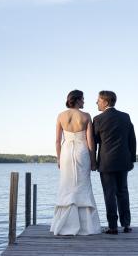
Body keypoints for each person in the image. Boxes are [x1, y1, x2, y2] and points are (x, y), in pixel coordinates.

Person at [50, 90, 101, 236]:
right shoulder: (86, 116)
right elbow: (90, 141)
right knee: (82, 185)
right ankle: (86, 226)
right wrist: (93, 161)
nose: (84, 102)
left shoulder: (61, 116)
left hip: (66, 152)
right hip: (82, 151)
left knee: (66, 185)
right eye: (83, 99)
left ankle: (63, 224)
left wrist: (59, 158)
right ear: (77, 100)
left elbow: (57, 141)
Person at [93, 90, 136, 234]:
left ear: (105, 101)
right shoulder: (125, 117)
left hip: (106, 162)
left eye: (98, 100)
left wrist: (93, 161)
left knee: (109, 193)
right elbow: (132, 139)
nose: (96, 102)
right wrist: (132, 159)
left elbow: (95, 142)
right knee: (123, 192)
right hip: (124, 161)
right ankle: (126, 225)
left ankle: (112, 226)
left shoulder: (98, 119)